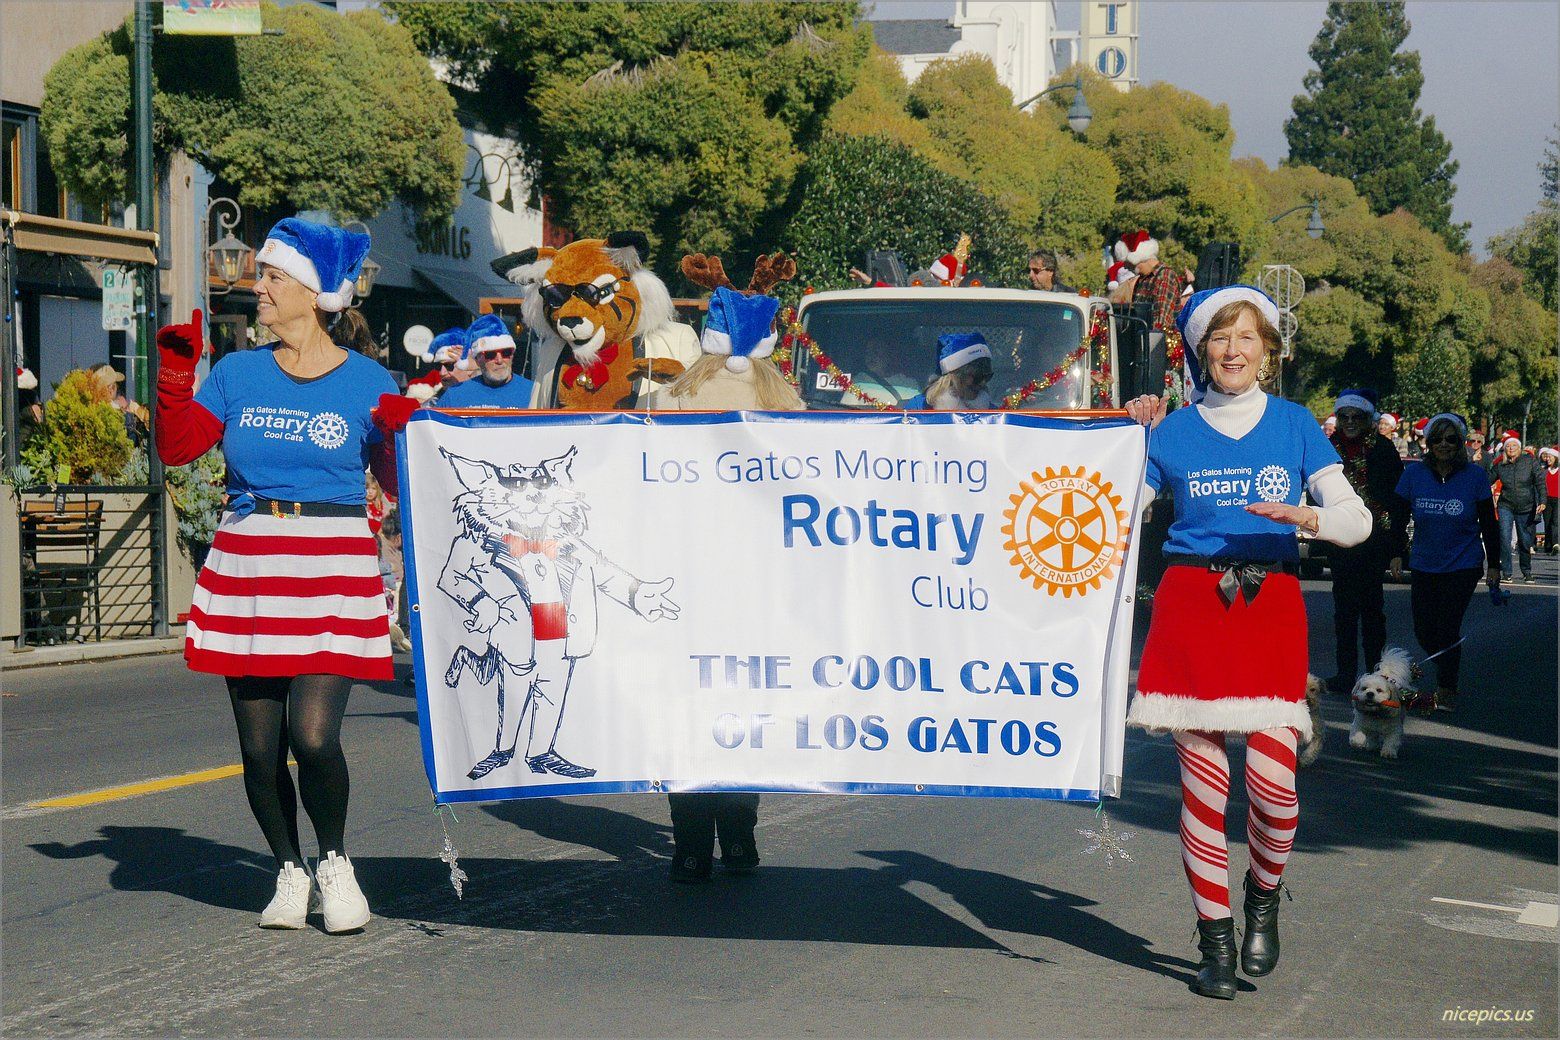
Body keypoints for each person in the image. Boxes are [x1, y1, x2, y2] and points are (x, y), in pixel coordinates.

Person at [154, 217, 407, 934]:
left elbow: (397, 483)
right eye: (261, 275)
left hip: (333, 567)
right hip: (251, 565)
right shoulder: (237, 373)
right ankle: (290, 869)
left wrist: (398, 436)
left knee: (313, 736)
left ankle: (336, 862)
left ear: (311, 292)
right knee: (259, 748)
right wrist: (174, 375)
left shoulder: (366, 379)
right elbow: (178, 448)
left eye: (272, 276)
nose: (258, 287)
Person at [1122, 284, 1370, 1001]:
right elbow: (1111, 508)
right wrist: (1120, 432)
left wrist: (1307, 518)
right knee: (1205, 790)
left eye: (1247, 338)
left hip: (1269, 608)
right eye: (1221, 338)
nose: (1234, 351)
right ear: (1202, 351)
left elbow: (1356, 521)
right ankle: (1215, 941)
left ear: (1268, 350)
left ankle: (1263, 896)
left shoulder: (1295, 424)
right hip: (1190, 609)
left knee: (1273, 787)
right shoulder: (1169, 432)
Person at [656, 281, 801, 880]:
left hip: (687, 577)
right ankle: (739, 835)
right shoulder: (787, 402)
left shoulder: (670, 398)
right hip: (759, 586)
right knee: (746, 707)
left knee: (688, 708)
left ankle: (691, 844)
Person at [1395, 414, 1502, 712]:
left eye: (1451, 439)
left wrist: (1494, 564)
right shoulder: (1414, 475)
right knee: (1424, 630)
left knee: (1447, 627)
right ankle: (1446, 662)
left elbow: (1488, 523)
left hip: (1463, 564)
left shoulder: (1475, 477)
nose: (1444, 444)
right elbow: (1399, 517)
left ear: (1460, 443)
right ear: (1428, 443)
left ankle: (1446, 687)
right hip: (1424, 563)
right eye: (1437, 439)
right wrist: (1395, 552)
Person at [1323, 390, 1408, 694]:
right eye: (1343, 416)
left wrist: (1396, 546)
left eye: (1356, 417)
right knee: (1343, 611)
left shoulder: (1383, 449)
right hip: (1340, 538)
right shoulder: (1328, 447)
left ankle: (1376, 673)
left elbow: (1399, 500)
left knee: (1372, 610)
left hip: (1374, 539)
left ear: (1368, 419)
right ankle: (1346, 674)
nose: (1349, 422)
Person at [433, 315, 535, 409]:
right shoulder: (455, 396)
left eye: (506, 353)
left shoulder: (533, 393)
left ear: (512, 355)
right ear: (477, 359)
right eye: (490, 355)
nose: (499, 360)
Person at [1489, 430, 1544, 582]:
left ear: (1519, 448)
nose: (1511, 448)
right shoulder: (1500, 465)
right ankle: (1507, 572)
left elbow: (1540, 482)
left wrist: (1543, 501)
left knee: (1525, 541)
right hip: (1505, 505)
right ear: (1504, 449)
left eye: (1514, 446)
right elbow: (1487, 480)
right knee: (1504, 537)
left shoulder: (1530, 462)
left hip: (1526, 506)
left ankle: (1527, 571)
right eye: (1508, 446)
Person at [904, 333, 996, 411]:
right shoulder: (918, 409)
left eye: (987, 376)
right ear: (954, 376)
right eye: (977, 377)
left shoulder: (994, 416)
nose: (983, 382)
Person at [1118, 230, 1184, 334]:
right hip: (1143, 339)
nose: (1125, 267)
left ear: (1137, 258)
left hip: (1157, 342)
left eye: (1127, 262)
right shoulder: (1142, 280)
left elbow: (1161, 324)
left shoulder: (1165, 276)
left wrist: (1153, 340)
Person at [1540, 446, 1559, 554]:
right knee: (1547, 522)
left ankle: (1555, 544)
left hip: (1558, 499)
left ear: (1556, 458)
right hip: (1546, 499)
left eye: (1550, 457)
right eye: (1546, 457)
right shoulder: (1543, 471)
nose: (1547, 459)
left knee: (1555, 521)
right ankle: (1548, 545)